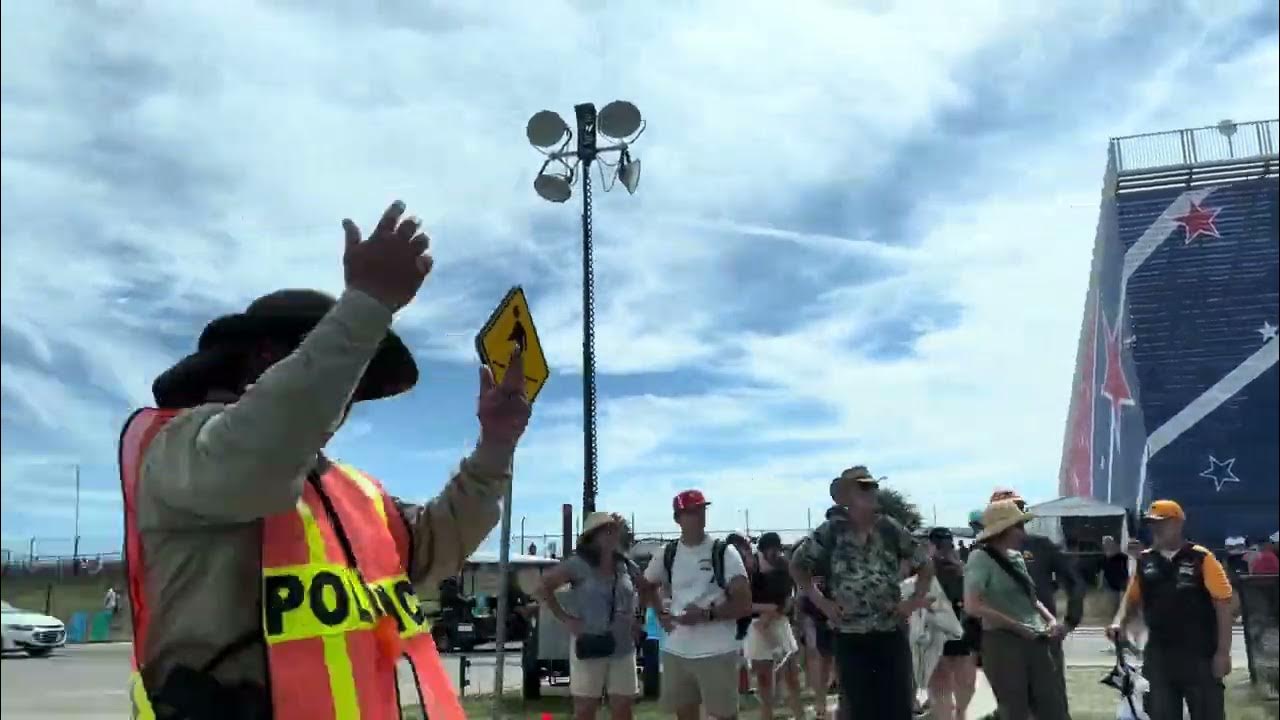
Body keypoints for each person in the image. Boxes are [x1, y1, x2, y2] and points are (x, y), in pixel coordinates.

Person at [118, 201, 531, 720]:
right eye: (343, 374)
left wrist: (496, 445)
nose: (346, 398)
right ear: (267, 360)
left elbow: (432, 548)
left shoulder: (356, 493)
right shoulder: (180, 451)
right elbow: (257, 454)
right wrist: (366, 307)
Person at [791, 466, 933, 720]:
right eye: (863, 487)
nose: (871, 492)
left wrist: (912, 601)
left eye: (872, 487)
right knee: (858, 708)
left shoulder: (890, 528)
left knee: (897, 706)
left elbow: (924, 563)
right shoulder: (831, 531)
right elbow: (798, 565)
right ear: (846, 496)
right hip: (850, 635)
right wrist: (822, 602)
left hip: (890, 631)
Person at [1109, 500, 1233, 720]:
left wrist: (1223, 653)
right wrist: (1119, 622)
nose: (1155, 529)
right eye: (1151, 524)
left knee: (1208, 713)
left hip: (1199, 654)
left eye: (1161, 523)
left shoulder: (1202, 558)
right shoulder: (1145, 561)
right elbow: (1131, 598)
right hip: (1159, 656)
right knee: (1160, 713)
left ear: (1177, 523)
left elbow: (1223, 605)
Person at [640, 490, 751, 720]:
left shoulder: (724, 552)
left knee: (724, 715)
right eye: (691, 511)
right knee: (685, 715)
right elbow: (645, 584)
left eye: (701, 509)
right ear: (677, 518)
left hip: (718, 649)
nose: (698, 515)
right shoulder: (667, 553)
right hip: (677, 650)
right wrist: (660, 613)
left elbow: (744, 602)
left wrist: (706, 614)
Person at [964, 499, 1070, 720]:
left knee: (1052, 707)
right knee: (1015, 711)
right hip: (1003, 643)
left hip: (1035, 639)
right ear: (1003, 530)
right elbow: (973, 605)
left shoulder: (1017, 558)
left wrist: (1051, 620)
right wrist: (1017, 626)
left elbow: (1031, 600)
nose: (1023, 533)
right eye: (1018, 527)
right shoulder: (979, 559)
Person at [537, 512, 639, 720]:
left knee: (623, 710)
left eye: (613, 531)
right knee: (585, 710)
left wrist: (639, 617)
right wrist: (566, 618)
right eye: (606, 531)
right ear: (592, 537)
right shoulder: (577, 564)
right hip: (589, 643)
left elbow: (647, 587)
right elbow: (543, 588)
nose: (611, 536)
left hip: (622, 646)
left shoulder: (625, 564)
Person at [988, 488, 1083, 705]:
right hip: (1003, 639)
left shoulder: (1041, 545)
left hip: (1043, 636)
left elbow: (1075, 583)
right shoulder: (982, 553)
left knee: (1052, 703)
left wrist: (1069, 622)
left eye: (1017, 507)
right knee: (1011, 706)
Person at [744, 532, 805, 720]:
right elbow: (743, 601)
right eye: (771, 549)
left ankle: (799, 715)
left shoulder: (783, 566)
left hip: (778, 622)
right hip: (756, 626)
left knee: (791, 675)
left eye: (777, 549)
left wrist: (772, 614)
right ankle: (767, 716)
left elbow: (788, 599)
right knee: (764, 679)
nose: (775, 553)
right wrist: (764, 611)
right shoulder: (750, 569)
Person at [925, 527, 978, 720]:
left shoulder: (960, 568)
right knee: (944, 683)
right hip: (936, 627)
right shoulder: (926, 567)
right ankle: (954, 714)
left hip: (956, 626)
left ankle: (958, 713)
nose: (944, 550)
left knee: (962, 682)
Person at [1100, 535, 1130, 621]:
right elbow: (1102, 571)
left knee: (1122, 606)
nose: (1106, 545)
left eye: (1108, 543)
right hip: (1110, 585)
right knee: (1113, 606)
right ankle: (1114, 622)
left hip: (1121, 584)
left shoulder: (1122, 557)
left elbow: (1127, 569)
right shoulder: (1104, 558)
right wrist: (1101, 583)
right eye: (1105, 543)